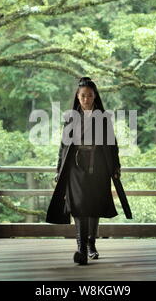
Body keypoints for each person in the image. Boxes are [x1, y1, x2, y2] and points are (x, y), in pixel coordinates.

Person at [46, 77, 131, 265]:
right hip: (75, 168)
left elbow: (112, 144)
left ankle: (91, 244)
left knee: (94, 206)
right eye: (83, 95)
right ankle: (81, 247)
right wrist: (59, 169)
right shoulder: (70, 117)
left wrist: (116, 167)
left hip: (98, 166)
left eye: (89, 96)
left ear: (94, 96)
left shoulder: (103, 117)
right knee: (78, 205)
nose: (86, 99)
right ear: (77, 96)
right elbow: (64, 146)